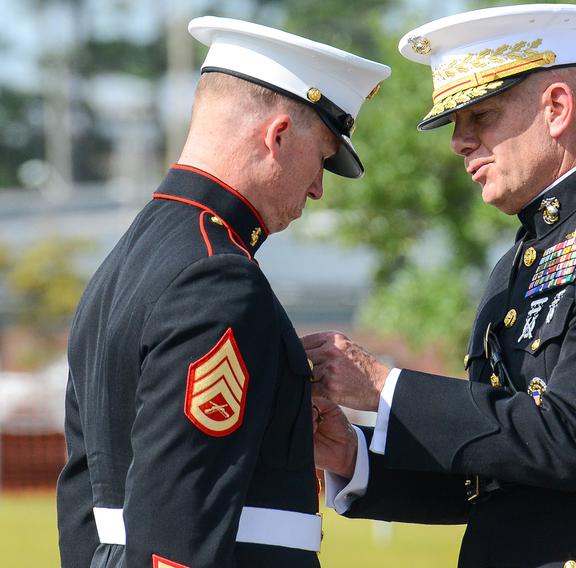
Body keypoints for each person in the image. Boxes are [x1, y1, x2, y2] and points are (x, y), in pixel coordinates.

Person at [305, 4, 576, 567]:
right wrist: (351, 454)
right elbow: (497, 464)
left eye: (480, 116)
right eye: (455, 124)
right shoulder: (517, 264)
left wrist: (383, 388)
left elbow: (569, 440)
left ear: (556, 107)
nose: (459, 142)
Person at [56, 16, 389, 568]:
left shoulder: (124, 264)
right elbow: (179, 526)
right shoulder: (215, 277)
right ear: (277, 135)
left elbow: (81, 501)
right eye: (322, 157)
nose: (319, 188)